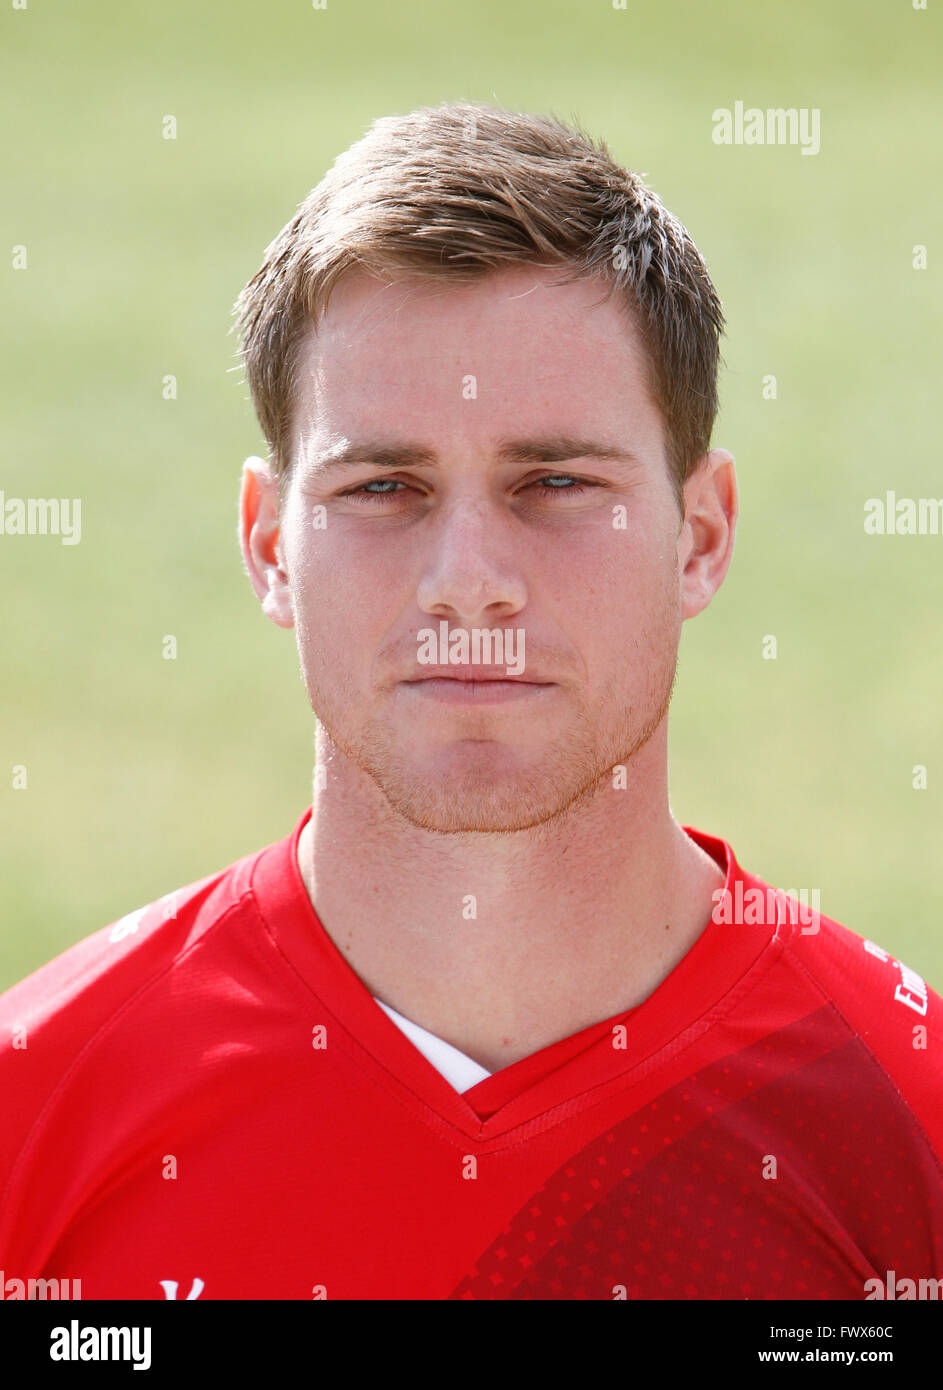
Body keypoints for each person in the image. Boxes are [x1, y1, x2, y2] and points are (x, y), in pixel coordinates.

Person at [1, 102, 940, 1302]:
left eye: (554, 481)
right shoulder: (32, 1109)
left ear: (699, 536)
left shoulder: (906, 1122)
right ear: (269, 546)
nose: (469, 585)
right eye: (384, 485)